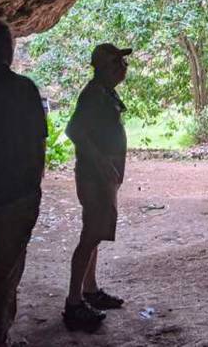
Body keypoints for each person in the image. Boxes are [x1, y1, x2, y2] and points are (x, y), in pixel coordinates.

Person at [63, 43, 131, 330]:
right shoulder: (93, 94)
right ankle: (73, 303)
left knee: (96, 232)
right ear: (106, 67)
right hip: (94, 177)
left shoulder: (104, 91)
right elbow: (74, 130)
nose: (124, 67)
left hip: (102, 175)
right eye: (118, 62)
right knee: (90, 235)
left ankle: (89, 290)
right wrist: (102, 162)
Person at [0, 20, 47, 347]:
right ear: (6, 51)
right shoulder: (24, 89)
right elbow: (37, 145)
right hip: (14, 198)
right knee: (5, 272)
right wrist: (34, 190)